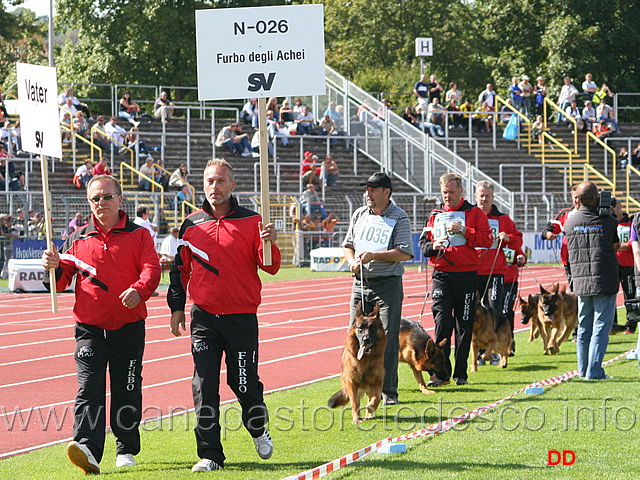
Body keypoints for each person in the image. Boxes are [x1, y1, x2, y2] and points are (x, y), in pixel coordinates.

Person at [41, 175, 160, 473]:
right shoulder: (78, 238)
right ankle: (88, 449)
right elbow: (62, 279)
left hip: (128, 327)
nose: (101, 203)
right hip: (89, 329)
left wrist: (140, 290)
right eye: (95, 198)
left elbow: (152, 269)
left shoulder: (139, 235)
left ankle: (126, 447)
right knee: (89, 389)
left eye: (107, 197)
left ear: (120, 199)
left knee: (127, 389)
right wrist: (52, 269)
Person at [168, 158, 280, 472]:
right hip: (203, 316)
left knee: (243, 382)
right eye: (209, 181)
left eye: (220, 181)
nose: (214, 188)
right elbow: (180, 270)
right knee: (203, 385)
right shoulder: (191, 224)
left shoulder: (253, 220)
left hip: (241, 316)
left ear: (232, 185)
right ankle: (210, 455)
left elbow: (270, 267)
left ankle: (257, 427)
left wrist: (270, 241)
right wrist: (177, 307)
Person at [343, 171, 413, 404]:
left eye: (373, 190)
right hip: (360, 283)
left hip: (387, 284)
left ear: (387, 192)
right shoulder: (359, 214)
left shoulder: (399, 217)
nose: (368, 194)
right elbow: (348, 245)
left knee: (388, 338)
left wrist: (375, 256)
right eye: (367, 190)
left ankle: (388, 392)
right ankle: (355, 386)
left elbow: (404, 252)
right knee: (355, 336)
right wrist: (352, 261)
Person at [419, 173, 492, 386]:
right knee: (442, 322)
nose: (447, 196)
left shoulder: (474, 213)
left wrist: (465, 231)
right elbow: (424, 246)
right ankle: (441, 374)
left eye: (451, 192)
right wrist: (434, 246)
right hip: (441, 274)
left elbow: (487, 240)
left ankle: (461, 373)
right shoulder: (435, 214)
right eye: (444, 192)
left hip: (467, 275)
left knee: (464, 324)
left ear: (461, 191)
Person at [565, 182, 619, 380]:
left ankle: (583, 370)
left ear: (577, 199)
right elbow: (616, 244)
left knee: (584, 327)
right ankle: (594, 372)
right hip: (603, 280)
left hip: (580, 281)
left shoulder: (569, 222)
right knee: (600, 327)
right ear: (596, 198)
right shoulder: (608, 221)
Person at [474, 181, 523, 364]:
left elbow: (517, 240)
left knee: (494, 310)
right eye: (481, 195)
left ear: (493, 198)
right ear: (475, 196)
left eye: (487, 196)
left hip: (495, 272)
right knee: (473, 312)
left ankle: (493, 351)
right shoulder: (470, 216)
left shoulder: (503, 219)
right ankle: (477, 352)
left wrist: (508, 237)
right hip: (472, 271)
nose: (484, 199)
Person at [541, 185, 580, 290]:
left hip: (589, 257)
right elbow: (546, 230)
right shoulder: (565, 214)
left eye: (580, 197)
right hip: (569, 258)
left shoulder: (595, 213)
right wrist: (548, 235)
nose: (578, 200)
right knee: (574, 290)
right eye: (575, 197)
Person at [611, 198, 640, 334]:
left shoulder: (630, 222)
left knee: (630, 294)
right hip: (613, 264)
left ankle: (631, 324)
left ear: (619, 207)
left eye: (614, 207)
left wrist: (621, 247)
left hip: (628, 264)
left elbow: (634, 242)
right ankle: (613, 324)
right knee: (611, 294)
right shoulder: (609, 222)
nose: (611, 209)